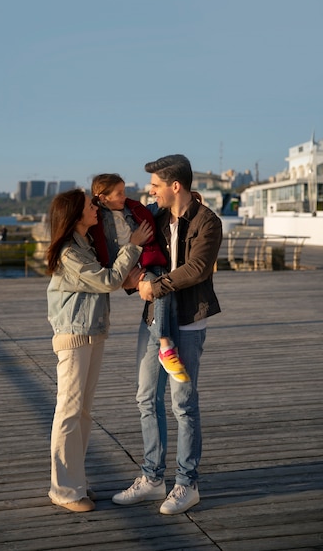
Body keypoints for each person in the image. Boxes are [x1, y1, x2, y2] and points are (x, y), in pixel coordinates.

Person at [112, 154, 222, 515]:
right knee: (146, 398)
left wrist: (156, 286)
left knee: (183, 405)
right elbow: (135, 250)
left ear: (175, 186)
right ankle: (152, 478)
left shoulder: (207, 222)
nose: (151, 191)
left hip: (188, 323)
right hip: (154, 322)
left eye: (156, 186)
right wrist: (137, 280)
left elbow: (198, 269)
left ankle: (187, 484)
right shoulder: (154, 217)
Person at [46, 189, 152, 513]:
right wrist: (133, 244)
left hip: (92, 334)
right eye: (91, 205)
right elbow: (105, 280)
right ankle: (64, 490)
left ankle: (75, 481)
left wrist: (128, 276)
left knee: (83, 413)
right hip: (74, 336)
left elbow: (105, 281)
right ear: (76, 215)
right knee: (68, 411)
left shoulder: (86, 244)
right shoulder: (68, 252)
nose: (96, 208)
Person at [89, 173, 189, 382]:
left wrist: (185, 199)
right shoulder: (96, 218)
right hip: (126, 265)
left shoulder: (130, 209)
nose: (125, 197)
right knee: (158, 288)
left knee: (161, 290)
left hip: (144, 261)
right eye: (119, 193)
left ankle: (165, 346)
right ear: (103, 197)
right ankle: (165, 346)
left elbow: (151, 210)